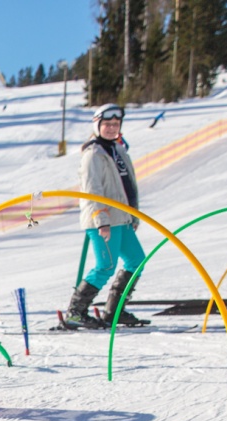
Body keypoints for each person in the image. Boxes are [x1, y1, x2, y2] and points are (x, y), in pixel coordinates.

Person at [62, 103, 149, 329]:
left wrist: (134, 216)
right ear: (97, 125)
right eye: (107, 124)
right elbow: (92, 191)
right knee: (105, 266)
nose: (111, 128)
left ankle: (114, 311)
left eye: (115, 124)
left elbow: (128, 186)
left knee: (136, 260)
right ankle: (75, 311)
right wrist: (102, 222)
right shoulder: (93, 154)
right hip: (102, 220)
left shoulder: (118, 150)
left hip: (122, 219)